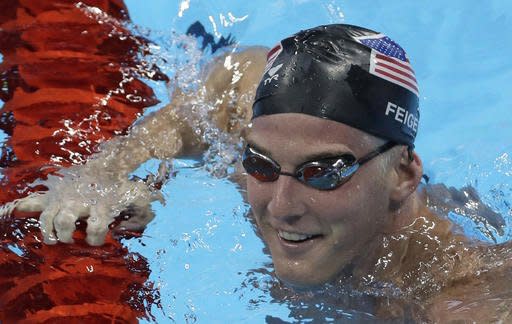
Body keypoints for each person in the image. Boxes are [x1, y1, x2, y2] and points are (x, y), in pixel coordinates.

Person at [5, 24, 512, 321]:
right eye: (259, 165)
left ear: (404, 172)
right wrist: (103, 175)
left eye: (325, 172)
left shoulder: (460, 298)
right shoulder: (264, 127)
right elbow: (214, 91)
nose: (281, 206)